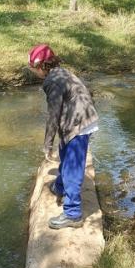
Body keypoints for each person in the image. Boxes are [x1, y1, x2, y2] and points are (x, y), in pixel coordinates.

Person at [28, 44, 99, 230]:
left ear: (42, 66)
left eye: (33, 68)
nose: (32, 71)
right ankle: (59, 186)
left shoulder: (52, 82)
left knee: (72, 168)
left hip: (79, 123)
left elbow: (53, 114)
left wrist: (47, 144)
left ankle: (73, 214)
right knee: (65, 153)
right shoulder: (60, 72)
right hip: (81, 117)